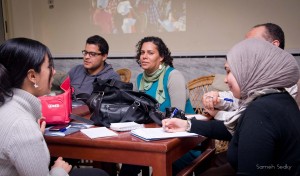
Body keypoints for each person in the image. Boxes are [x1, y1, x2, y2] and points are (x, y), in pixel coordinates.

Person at [163, 38, 300, 175]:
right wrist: (187, 125)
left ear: (249, 71)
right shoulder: (279, 98)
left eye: (229, 71)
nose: (225, 79)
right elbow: (237, 129)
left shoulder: (261, 111)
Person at [0, 38, 109, 176]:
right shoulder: (22, 126)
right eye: (49, 66)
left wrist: (35, 135)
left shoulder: (8, 107)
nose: (54, 72)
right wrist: (59, 170)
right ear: (32, 76)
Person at [119, 36, 196, 176]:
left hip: (182, 142)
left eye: (150, 53)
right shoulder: (140, 78)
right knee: (129, 161)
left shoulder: (173, 76)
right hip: (153, 138)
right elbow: (141, 112)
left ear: (161, 57)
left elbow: (178, 118)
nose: (144, 57)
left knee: (158, 169)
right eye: (142, 53)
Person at [203, 23, 298, 120]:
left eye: (253, 42)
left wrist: (218, 114)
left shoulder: (285, 81)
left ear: (274, 45)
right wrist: (217, 98)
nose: (246, 48)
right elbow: (237, 100)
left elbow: (248, 116)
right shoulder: (256, 74)